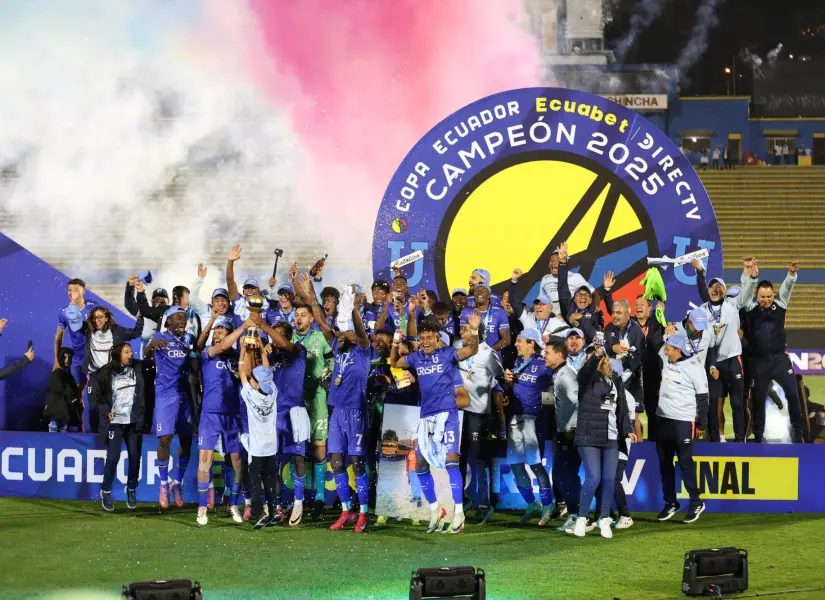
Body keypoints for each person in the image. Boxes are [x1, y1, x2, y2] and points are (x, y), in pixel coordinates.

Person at [390, 315, 480, 534]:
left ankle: (458, 512)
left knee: (451, 462)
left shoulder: (448, 355)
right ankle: (434, 509)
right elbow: (394, 362)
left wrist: (475, 332)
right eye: (422, 338)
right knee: (420, 465)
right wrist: (394, 343)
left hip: (447, 416)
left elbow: (471, 351)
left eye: (430, 337)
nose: (426, 341)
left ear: (437, 338)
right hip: (426, 417)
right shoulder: (416, 358)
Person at [298, 275, 373, 533]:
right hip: (337, 412)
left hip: (356, 413)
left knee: (357, 462)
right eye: (339, 332)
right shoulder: (338, 347)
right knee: (337, 462)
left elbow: (360, 331)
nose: (340, 335)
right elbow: (320, 320)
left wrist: (352, 308)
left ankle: (364, 513)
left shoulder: (363, 349)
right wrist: (311, 294)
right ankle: (346, 511)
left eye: (346, 332)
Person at [572, 341, 636, 539]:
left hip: (611, 435)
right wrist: (599, 353)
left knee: (609, 479)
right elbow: (586, 370)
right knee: (594, 477)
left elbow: (622, 410)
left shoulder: (615, 383)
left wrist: (627, 430)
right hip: (589, 434)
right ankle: (582, 519)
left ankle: (605, 519)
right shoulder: (587, 379)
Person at [739, 257, 806, 443]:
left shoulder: (781, 304)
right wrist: (751, 276)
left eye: (769, 297)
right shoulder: (750, 305)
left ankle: (798, 432)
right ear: (757, 296)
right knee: (758, 400)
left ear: (774, 295)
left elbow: (787, 287)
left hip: (779, 359)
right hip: (758, 362)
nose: (766, 300)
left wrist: (791, 274)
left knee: (793, 395)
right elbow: (744, 294)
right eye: (762, 297)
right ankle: (758, 435)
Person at [194, 311, 251, 526]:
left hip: (232, 415)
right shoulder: (208, 353)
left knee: (236, 461)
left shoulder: (237, 358)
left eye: (222, 331)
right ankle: (201, 508)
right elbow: (223, 346)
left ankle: (233, 503)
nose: (217, 335)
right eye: (216, 332)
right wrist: (243, 326)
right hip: (210, 415)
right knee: (204, 461)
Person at [258, 316, 311, 526]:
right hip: (273, 414)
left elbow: (284, 345)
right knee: (274, 461)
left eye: (279, 333)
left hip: (295, 412)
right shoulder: (271, 356)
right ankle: (275, 506)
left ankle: (298, 503)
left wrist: (263, 325)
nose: (275, 337)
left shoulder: (298, 350)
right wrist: (263, 351)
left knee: (298, 458)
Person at [502, 329, 555, 527]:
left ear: (531, 344)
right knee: (516, 465)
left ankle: (548, 505)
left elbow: (554, 386)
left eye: (519, 341)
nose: (516, 344)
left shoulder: (544, 365)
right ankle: (532, 504)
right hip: (515, 418)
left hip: (534, 420)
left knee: (535, 464)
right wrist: (508, 385)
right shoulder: (517, 364)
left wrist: (546, 406)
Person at [144, 306, 196, 509]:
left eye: (184, 318)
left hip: (184, 395)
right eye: (178, 318)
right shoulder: (160, 336)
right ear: (168, 322)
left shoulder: (189, 339)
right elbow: (146, 353)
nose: (182, 321)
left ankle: (177, 482)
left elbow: (195, 357)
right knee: (164, 439)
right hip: (166, 395)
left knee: (186, 440)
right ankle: (163, 484)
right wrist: (152, 345)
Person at [694, 259, 750, 442]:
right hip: (714, 364)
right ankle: (715, 441)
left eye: (719, 286)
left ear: (725, 291)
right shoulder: (703, 310)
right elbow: (688, 326)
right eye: (712, 287)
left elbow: (747, 292)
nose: (715, 289)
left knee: (737, 404)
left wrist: (749, 273)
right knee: (713, 405)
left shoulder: (733, 305)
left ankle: (740, 440)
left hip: (733, 361)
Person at [655, 335, 709, 524]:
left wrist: (701, 425)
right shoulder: (666, 358)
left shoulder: (694, 367)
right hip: (662, 420)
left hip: (684, 422)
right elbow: (659, 340)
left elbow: (703, 397)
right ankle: (671, 502)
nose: (665, 351)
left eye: (669, 348)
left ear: (678, 350)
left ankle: (696, 502)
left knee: (686, 463)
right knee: (664, 464)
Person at [455, 321, 503, 524]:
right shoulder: (458, 347)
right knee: (457, 458)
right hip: (457, 411)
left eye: (465, 329)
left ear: (477, 333)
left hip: (478, 413)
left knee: (478, 459)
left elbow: (498, 374)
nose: (461, 332)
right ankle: (463, 499)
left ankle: (484, 504)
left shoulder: (487, 352)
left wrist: (484, 386)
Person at [291, 302, 333, 521]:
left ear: (310, 319)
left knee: (319, 446)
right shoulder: (289, 339)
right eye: (296, 315)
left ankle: (319, 499)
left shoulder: (319, 337)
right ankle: (296, 501)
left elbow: (331, 358)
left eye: (303, 315)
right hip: (295, 400)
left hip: (317, 397)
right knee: (297, 448)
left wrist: (328, 373)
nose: (299, 318)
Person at [80, 307, 144, 434]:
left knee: (112, 409)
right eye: (94, 317)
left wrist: (140, 318)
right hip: (94, 377)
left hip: (111, 377)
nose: (97, 320)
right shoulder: (88, 330)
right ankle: (94, 437)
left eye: (100, 317)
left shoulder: (116, 330)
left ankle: (113, 437)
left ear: (107, 318)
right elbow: (74, 323)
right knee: (93, 409)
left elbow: (136, 333)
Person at [97, 342, 145, 512]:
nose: (130, 354)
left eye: (131, 351)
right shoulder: (106, 373)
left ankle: (131, 489)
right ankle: (106, 490)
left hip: (133, 423)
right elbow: (100, 400)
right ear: (118, 355)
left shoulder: (137, 369)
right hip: (116, 423)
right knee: (113, 457)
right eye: (126, 352)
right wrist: (106, 412)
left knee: (134, 457)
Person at [544, 340, 581, 534]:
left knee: (565, 475)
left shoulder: (566, 376)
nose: (544, 355)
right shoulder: (559, 374)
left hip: (571, 433)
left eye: (548, 352)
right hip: (564, 432)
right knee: (561, 474)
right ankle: (576, 515)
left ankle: (577, 516)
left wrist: (572, 428)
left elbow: (578, 401)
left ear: (559, 356)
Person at [240, 355, 280, 529]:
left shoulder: (250, 395)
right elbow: (267, 369)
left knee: (255, 482)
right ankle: (273, 512)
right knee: (270, 480)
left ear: (257, 383)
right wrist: (263, 351)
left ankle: (260, 513)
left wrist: (243, 350)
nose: (250, 380)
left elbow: (242, 372)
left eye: (253, 379)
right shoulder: (274, 391)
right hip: (271, 446)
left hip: (256, 449)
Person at [604, 299, 645, 438]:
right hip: (610, 379)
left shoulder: (637, 332)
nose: (614, 315)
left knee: (634, 414)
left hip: (631, 379)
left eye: (619, 313)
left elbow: (639, 358)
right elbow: (605, 351)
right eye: (613, 312)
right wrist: (612, 348)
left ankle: (638, 449)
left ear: (627, 316)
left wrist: (625, 358)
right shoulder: (609, 328)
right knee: (606, 408)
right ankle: (608, 441)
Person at [54, 278, 96, 411]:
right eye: (70, 290)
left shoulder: (93, 307)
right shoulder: (64, 312)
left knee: (99, 391)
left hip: (95, 357)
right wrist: (56, 360)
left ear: (83, 291)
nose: (72, 293)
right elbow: (58, 338)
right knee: (77, 394)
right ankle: (79, 427)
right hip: (78, 358)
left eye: (76, 289)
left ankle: (103, 427)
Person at [557, 242, 609, 343]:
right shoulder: (568, 307)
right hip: (569, 348)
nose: (582, 298)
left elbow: (599, 338)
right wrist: (563, 262)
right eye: (579, 295)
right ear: (574, 298)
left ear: (590, 300)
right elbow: (562, 285)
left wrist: (582, 318)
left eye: (586, 295)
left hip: (587, 350)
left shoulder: (596, 313)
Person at [632, 296, 665, 440]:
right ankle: (636, 442)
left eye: (642, 304)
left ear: (649, 308)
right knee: (633, 411)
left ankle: (652, 443)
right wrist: (607, 292)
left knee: (653, 411)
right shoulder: (630, 324)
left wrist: (661, 314)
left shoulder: (657, 324)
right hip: (634, 374)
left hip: (653, 374)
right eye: (636, 304)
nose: (638, 307)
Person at [460, 283, 510, 354]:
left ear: (489, 295)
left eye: (483, 290)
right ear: (474, 295)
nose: (480, 292)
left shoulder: (499, 312)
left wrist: (489, 352)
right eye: (477, 290)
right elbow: (463, 336)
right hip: (473, 356)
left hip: (492, 357)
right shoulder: (466, 312)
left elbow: (506, 339)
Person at [539, 249, 589, 316]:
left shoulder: (575, 277)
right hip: (551, 319)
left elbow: (594, 294)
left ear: (564, 264)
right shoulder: (545, 278)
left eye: (558, 260)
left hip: (568, 318)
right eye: (552, 260)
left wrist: (594, 309)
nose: (554, 263)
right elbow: (541, 298)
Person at [45, 347, 81, 432]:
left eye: (69, 357)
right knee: (55, 435)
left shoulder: (67, 375)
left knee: (63, 433)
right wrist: (73, 399)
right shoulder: (57, 373)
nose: (67, 360)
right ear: (60, 357)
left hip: (64, 412)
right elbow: (62, 388)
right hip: (56, 412)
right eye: (65, 357)